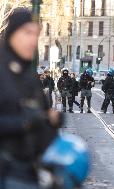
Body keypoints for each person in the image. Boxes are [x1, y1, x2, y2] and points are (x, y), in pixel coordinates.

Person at [0, 8, 60, 189]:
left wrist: (51, 120)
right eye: (27, 33)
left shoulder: (29, 74)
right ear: (12, 33)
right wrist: (24, 122)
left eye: (36, 34)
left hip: (30, 171)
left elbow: (40, 116)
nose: (33, 40)